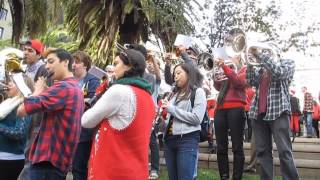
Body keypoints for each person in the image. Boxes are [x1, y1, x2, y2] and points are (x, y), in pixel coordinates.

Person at [81, 49, 155, 180]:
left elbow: (86, 121)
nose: (113, 68)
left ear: (129, 66)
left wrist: (100, 95)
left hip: (112, 171)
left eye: (116, 64)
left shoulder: (119, 90)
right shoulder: (148, 96)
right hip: (136, 171)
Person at [17, 48, 84, 180]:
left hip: (47, 162)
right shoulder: (74, 87)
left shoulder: (62, 88)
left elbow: (21, 110)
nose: (47, 66)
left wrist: (36, 91)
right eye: (46, 62)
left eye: (51, 61)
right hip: (57, 162)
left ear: (65, 62)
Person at [246, 49, 299, 180]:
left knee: (284, 151)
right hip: (258, 113)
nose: (265, 53)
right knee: (263, 152)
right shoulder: (261, 68)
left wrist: (259, 55)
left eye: (267, 51)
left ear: (276, 52)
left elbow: (278, 73)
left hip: (279, 111)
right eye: (264, 51)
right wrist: (250, 63)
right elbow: (250, 81)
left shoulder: (287, 63)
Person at [161, 63, 207, 180]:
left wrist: (171, 108)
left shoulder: (198, 92)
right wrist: (161, 118)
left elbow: (197, 118)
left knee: (185, 177)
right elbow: (171, 118)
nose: (175, 77)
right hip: (169, 140)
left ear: (188, 74)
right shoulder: (173, 94)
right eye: (174, 74)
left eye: (178, 73)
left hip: (187, 140)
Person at [213, 56, 247, 180]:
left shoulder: (244, 69)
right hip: (220, 108)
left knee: (237, 145)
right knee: (221, 146)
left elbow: (239, 83)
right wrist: (215, 74)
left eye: (235, 56)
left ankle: (237, 177)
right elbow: (218, 87)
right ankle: (224, 176)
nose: (232, 57)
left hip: (236, 108)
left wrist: (225, 67)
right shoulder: (226, 69)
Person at [71, 51, 100, 180]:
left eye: (77, 62)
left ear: (85, 65)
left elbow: (92, 102)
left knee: (79, 167)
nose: (73, 65)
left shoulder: (93, 80)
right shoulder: (68, 79)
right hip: (68, 129)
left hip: (83, 132)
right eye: (73, 62)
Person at [0, 74, 33, 180]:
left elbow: (19, 132)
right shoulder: (8, 103)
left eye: (13, 82)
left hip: (10, 160)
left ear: (21, 87)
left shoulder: (23, 105)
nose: (8, 84)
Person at [146, 52, 161, 179]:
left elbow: (158, 74)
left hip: (152, 114)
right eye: (148, 64)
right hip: (141, 112)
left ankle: (155, 169)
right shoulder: (143, 77)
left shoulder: (155, 80)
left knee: (152, 142)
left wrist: (154, 59)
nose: (150, 66)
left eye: (152, 65)